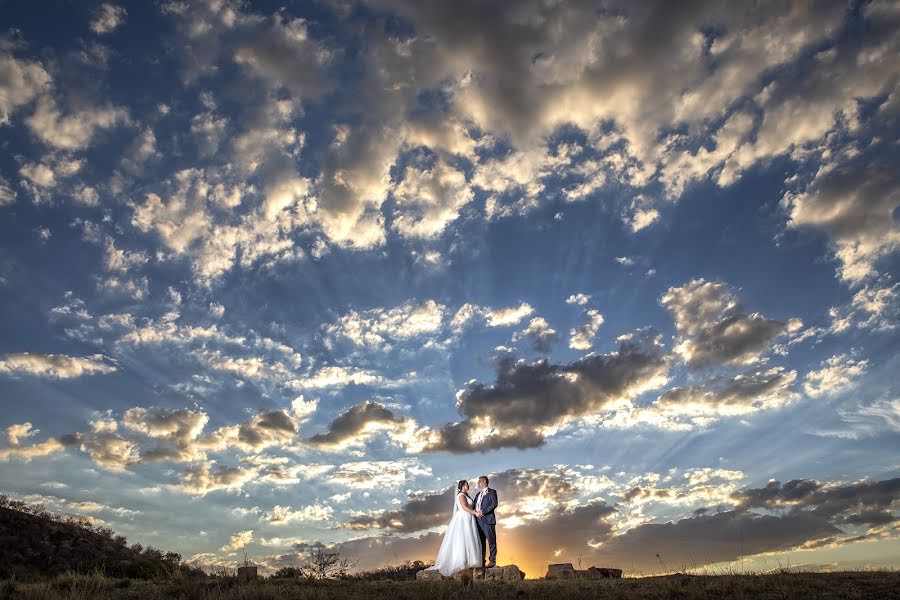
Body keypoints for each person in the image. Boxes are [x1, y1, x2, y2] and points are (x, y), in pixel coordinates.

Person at [425, 479, 484, 576]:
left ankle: (469, 561)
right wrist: (476, 513)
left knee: (469, 538)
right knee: (464, 538)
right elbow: (464, 507)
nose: (468, 486)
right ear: (462, 486)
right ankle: (461, 562)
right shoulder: (461, 495)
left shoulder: (466, 495)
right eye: (466, 485)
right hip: (464, 518)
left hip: (469, 518)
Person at [473, 475, 498, 568]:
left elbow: (494, 504)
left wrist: (483, 512)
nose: (478, 483)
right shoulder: (477, 495)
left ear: (484, 482)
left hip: (488, 520)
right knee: (481, 542)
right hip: (478, 522)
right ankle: (482, 561)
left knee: (491, 541)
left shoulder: (492, 492)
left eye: (479, 482)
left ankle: (492, 561)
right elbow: (474, 506)